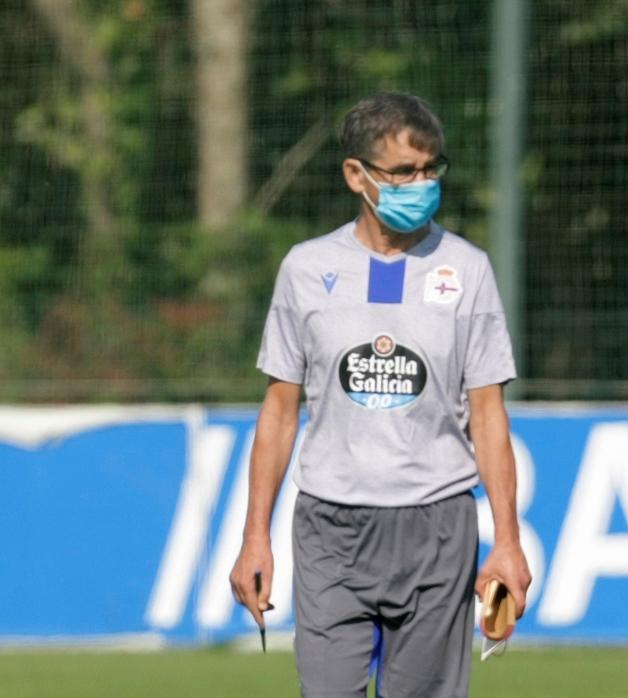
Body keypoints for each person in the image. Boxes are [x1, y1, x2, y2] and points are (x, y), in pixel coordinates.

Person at [229, 91, 531, 697]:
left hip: (437, 525)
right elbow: (281, 409)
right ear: (355, 175)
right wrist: (254, 535)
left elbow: (489, 416)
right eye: (403, 172)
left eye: (431, 169)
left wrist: (508, 541)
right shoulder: (305, 268)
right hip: (329, 527)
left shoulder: (467, 269)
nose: (420, 184)